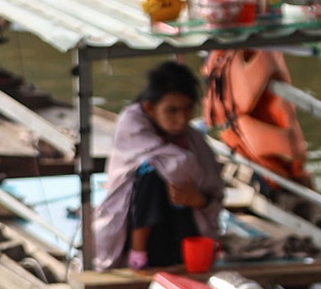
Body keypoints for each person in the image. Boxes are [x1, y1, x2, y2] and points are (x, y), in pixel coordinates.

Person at [91, 60, 225, 272]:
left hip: (179, 230)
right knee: (151, 173)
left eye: (188, 109)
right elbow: (180, 164)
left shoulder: (193, 140)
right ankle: (138, 257)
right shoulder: (132, 126)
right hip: (131, 228)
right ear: (149, 108)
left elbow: (214, 193)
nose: (181, 120)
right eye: (171, 111)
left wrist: (196, 198)